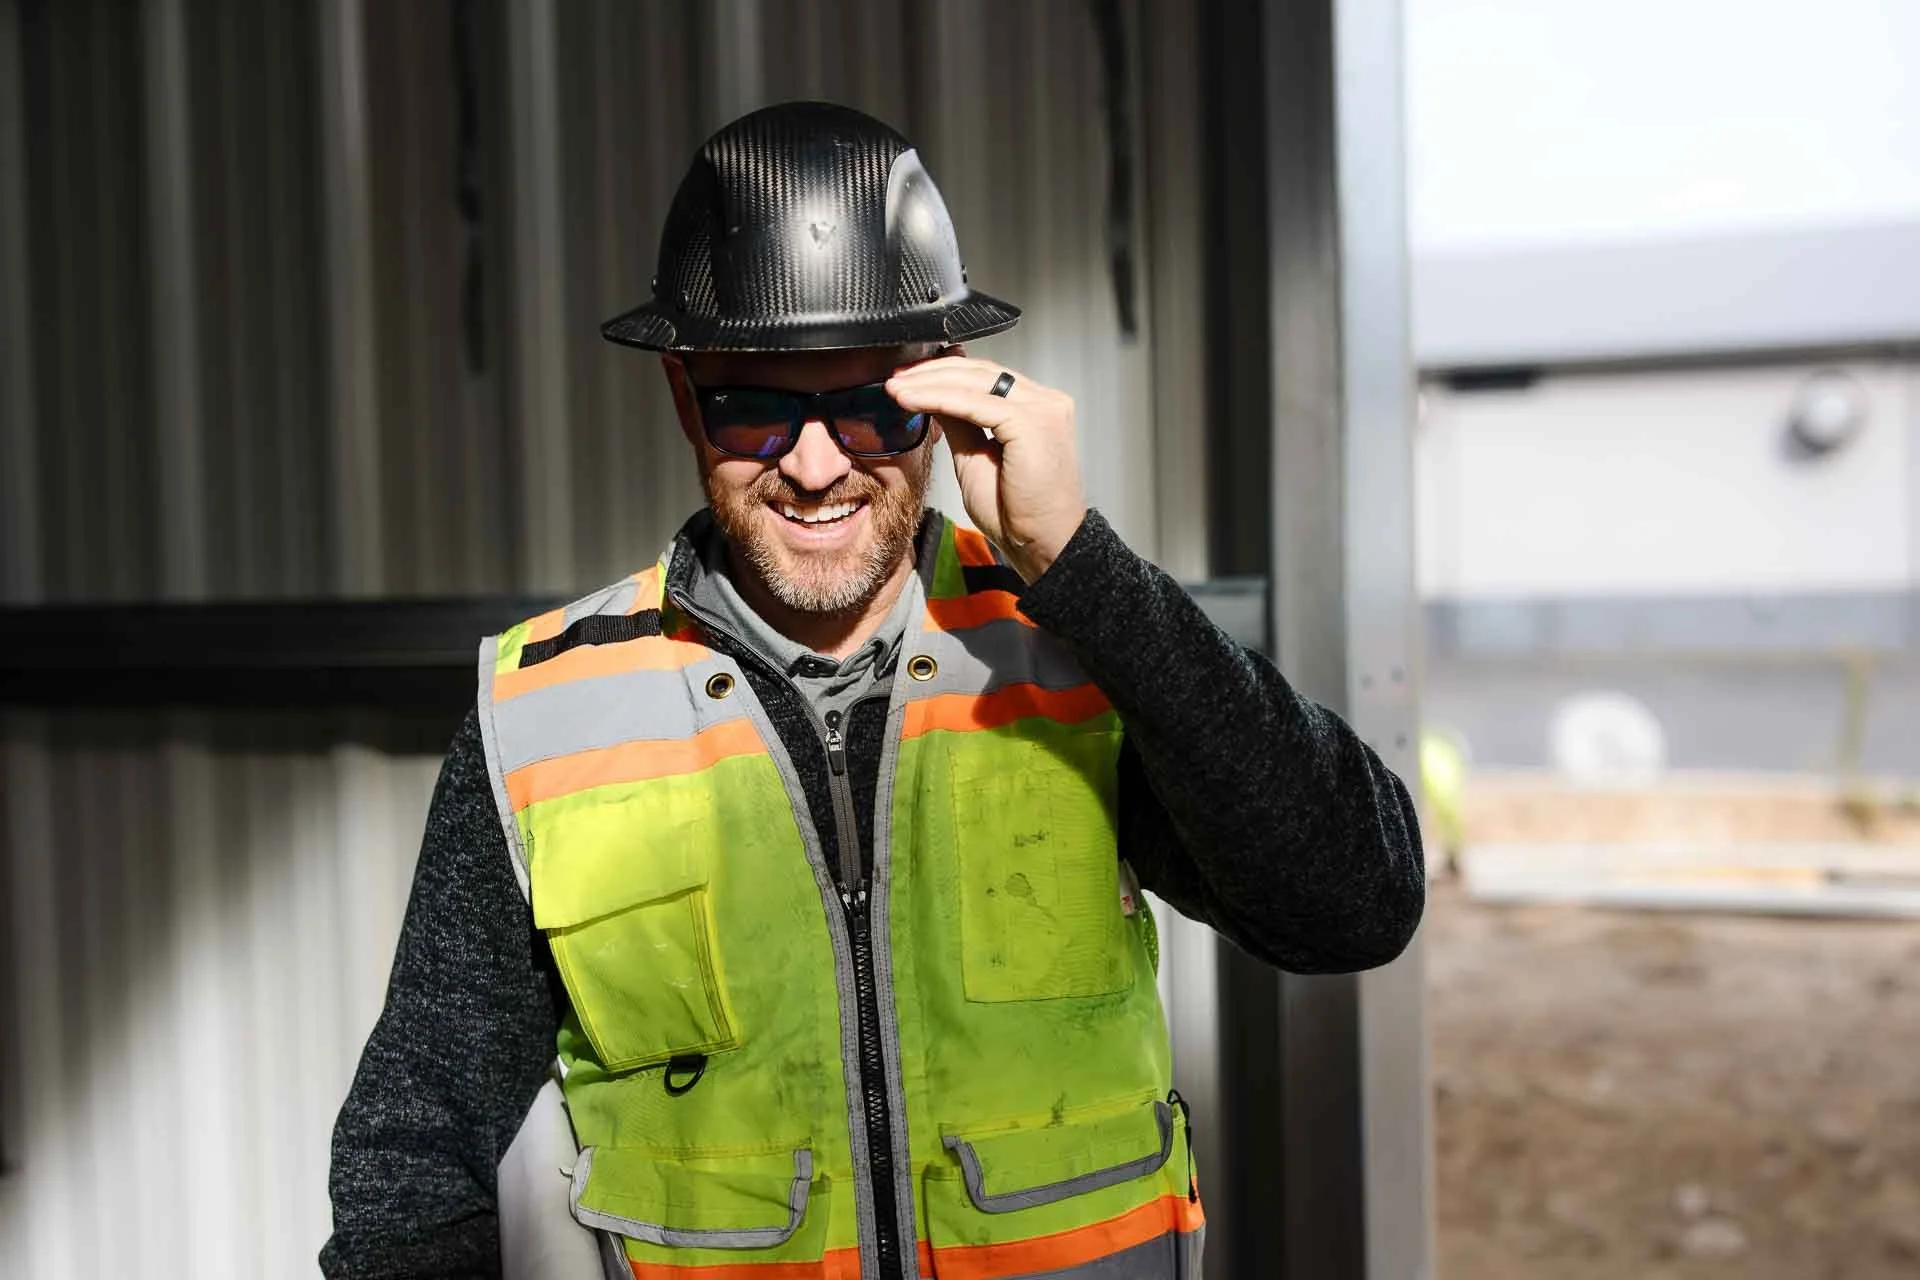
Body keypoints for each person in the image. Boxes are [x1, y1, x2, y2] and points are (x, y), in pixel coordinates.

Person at [321, 100, 1423, 1280]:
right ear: (689, 399)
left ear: (946, 393)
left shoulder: (1082, 655)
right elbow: (412, 1151)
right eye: (756, 402)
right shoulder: (547, 711)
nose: (812, 463)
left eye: (868, 404)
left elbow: (1354, 901)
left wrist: (1081, 568)